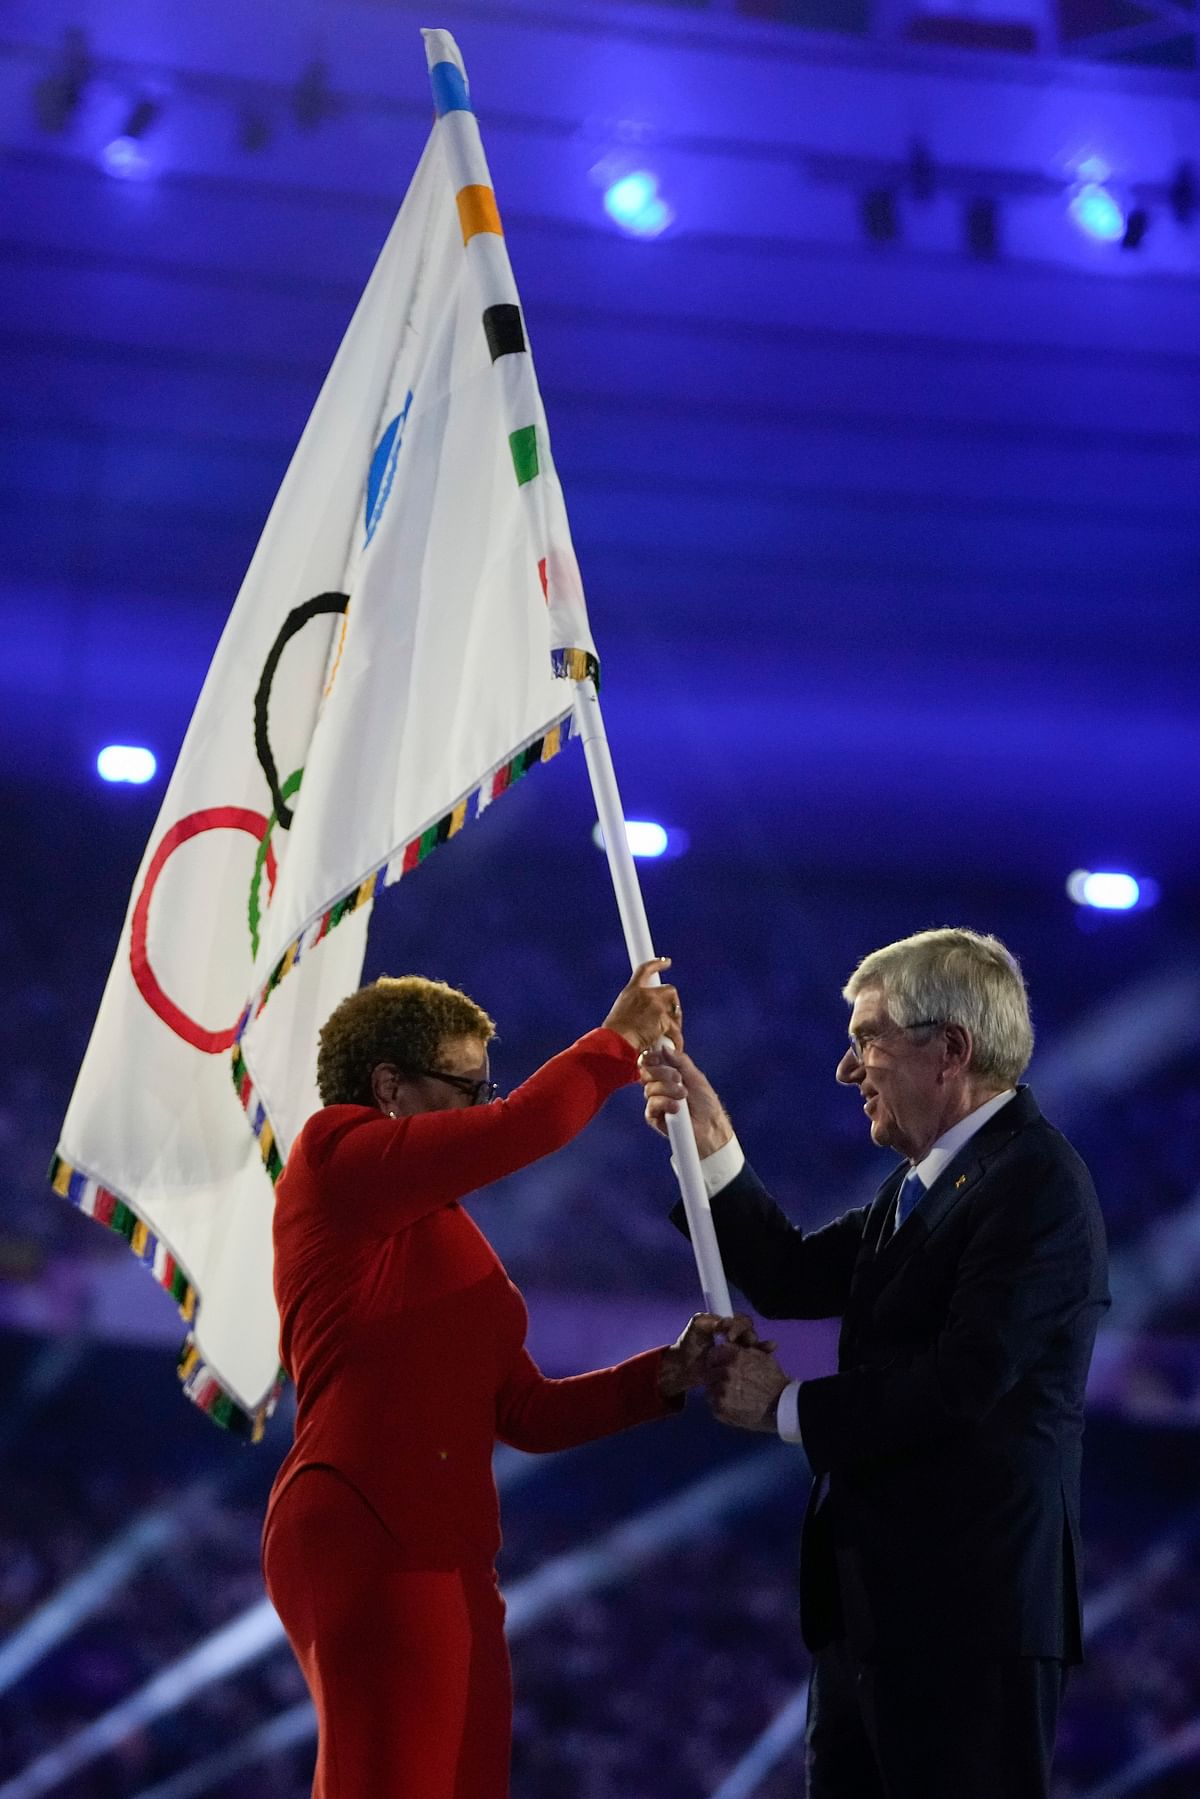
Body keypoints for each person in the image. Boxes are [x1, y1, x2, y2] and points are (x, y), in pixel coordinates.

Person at [640, 927, 1109, 1799]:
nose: (847, 1070)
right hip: (874, 1622)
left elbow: (965, 1385)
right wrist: (709, 1140)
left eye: (867, 1039)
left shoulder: (1038, 1185)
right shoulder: (921, 1184)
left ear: (950, 1050)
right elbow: (787, 1274)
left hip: (967, 1627)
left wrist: (786, 1407)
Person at [262, 957, 728, 1799]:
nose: (480, 1105)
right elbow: (526, 1125)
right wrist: (615, 1045)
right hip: (368, 1519)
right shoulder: (334, 1154)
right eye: (463, 1085)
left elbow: (526, 1412)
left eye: (486, 1085)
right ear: (390, 1085)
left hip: (451, 1550)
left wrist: (668, 1371)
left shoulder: (441, 1233)